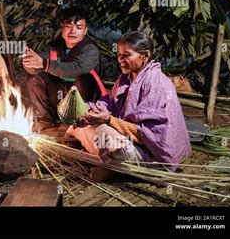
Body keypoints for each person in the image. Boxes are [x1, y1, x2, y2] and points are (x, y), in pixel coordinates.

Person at [66, 31, 192, 181]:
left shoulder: (156, 84)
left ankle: (116, 165)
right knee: (86, 123)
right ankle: (112, 163)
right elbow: (109, 103)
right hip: (129, 137)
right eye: (119, 54)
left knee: (103, 133)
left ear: (144, 56)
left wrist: (109, 120)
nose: (120, 60)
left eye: (126, 55)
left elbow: (149, 136)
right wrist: (86, 110)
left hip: (154, 154)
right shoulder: (127, 78)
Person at [22, 7, 105, 132]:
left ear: (85, 30)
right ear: (62, 28)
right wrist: (29, 62)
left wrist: (44, 64)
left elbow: (75, 69)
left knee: (82, 78)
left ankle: (74, 122)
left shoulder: (90, 50)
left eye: (78, 27)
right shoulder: (54, 46)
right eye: (69, 26)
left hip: (82, 99)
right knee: (34, 78)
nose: (73, 31)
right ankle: (45, 121)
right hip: (58, 94)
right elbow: (36, 68)